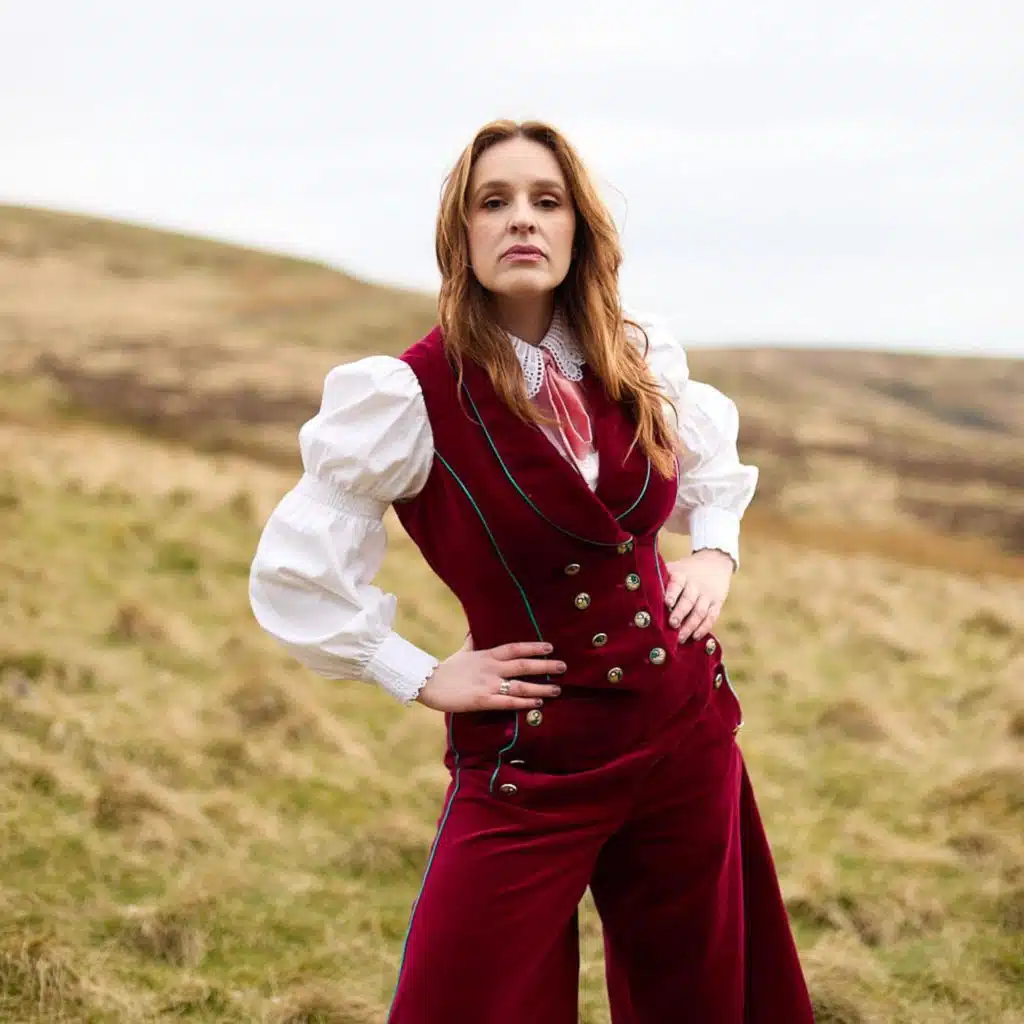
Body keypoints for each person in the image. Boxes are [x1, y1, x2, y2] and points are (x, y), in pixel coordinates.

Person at [248, 119, 814, 1024]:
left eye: (546, 201)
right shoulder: (409, 396)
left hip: (684, 735)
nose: (522, 219)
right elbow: (295, 570)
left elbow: (710, 466)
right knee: (463, 1002)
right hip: (531, 764)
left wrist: (714, 549)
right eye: (494, 202)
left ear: (577, 229)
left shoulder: (634, 357)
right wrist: (418, 673)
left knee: (698, 998)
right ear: (461, 234)